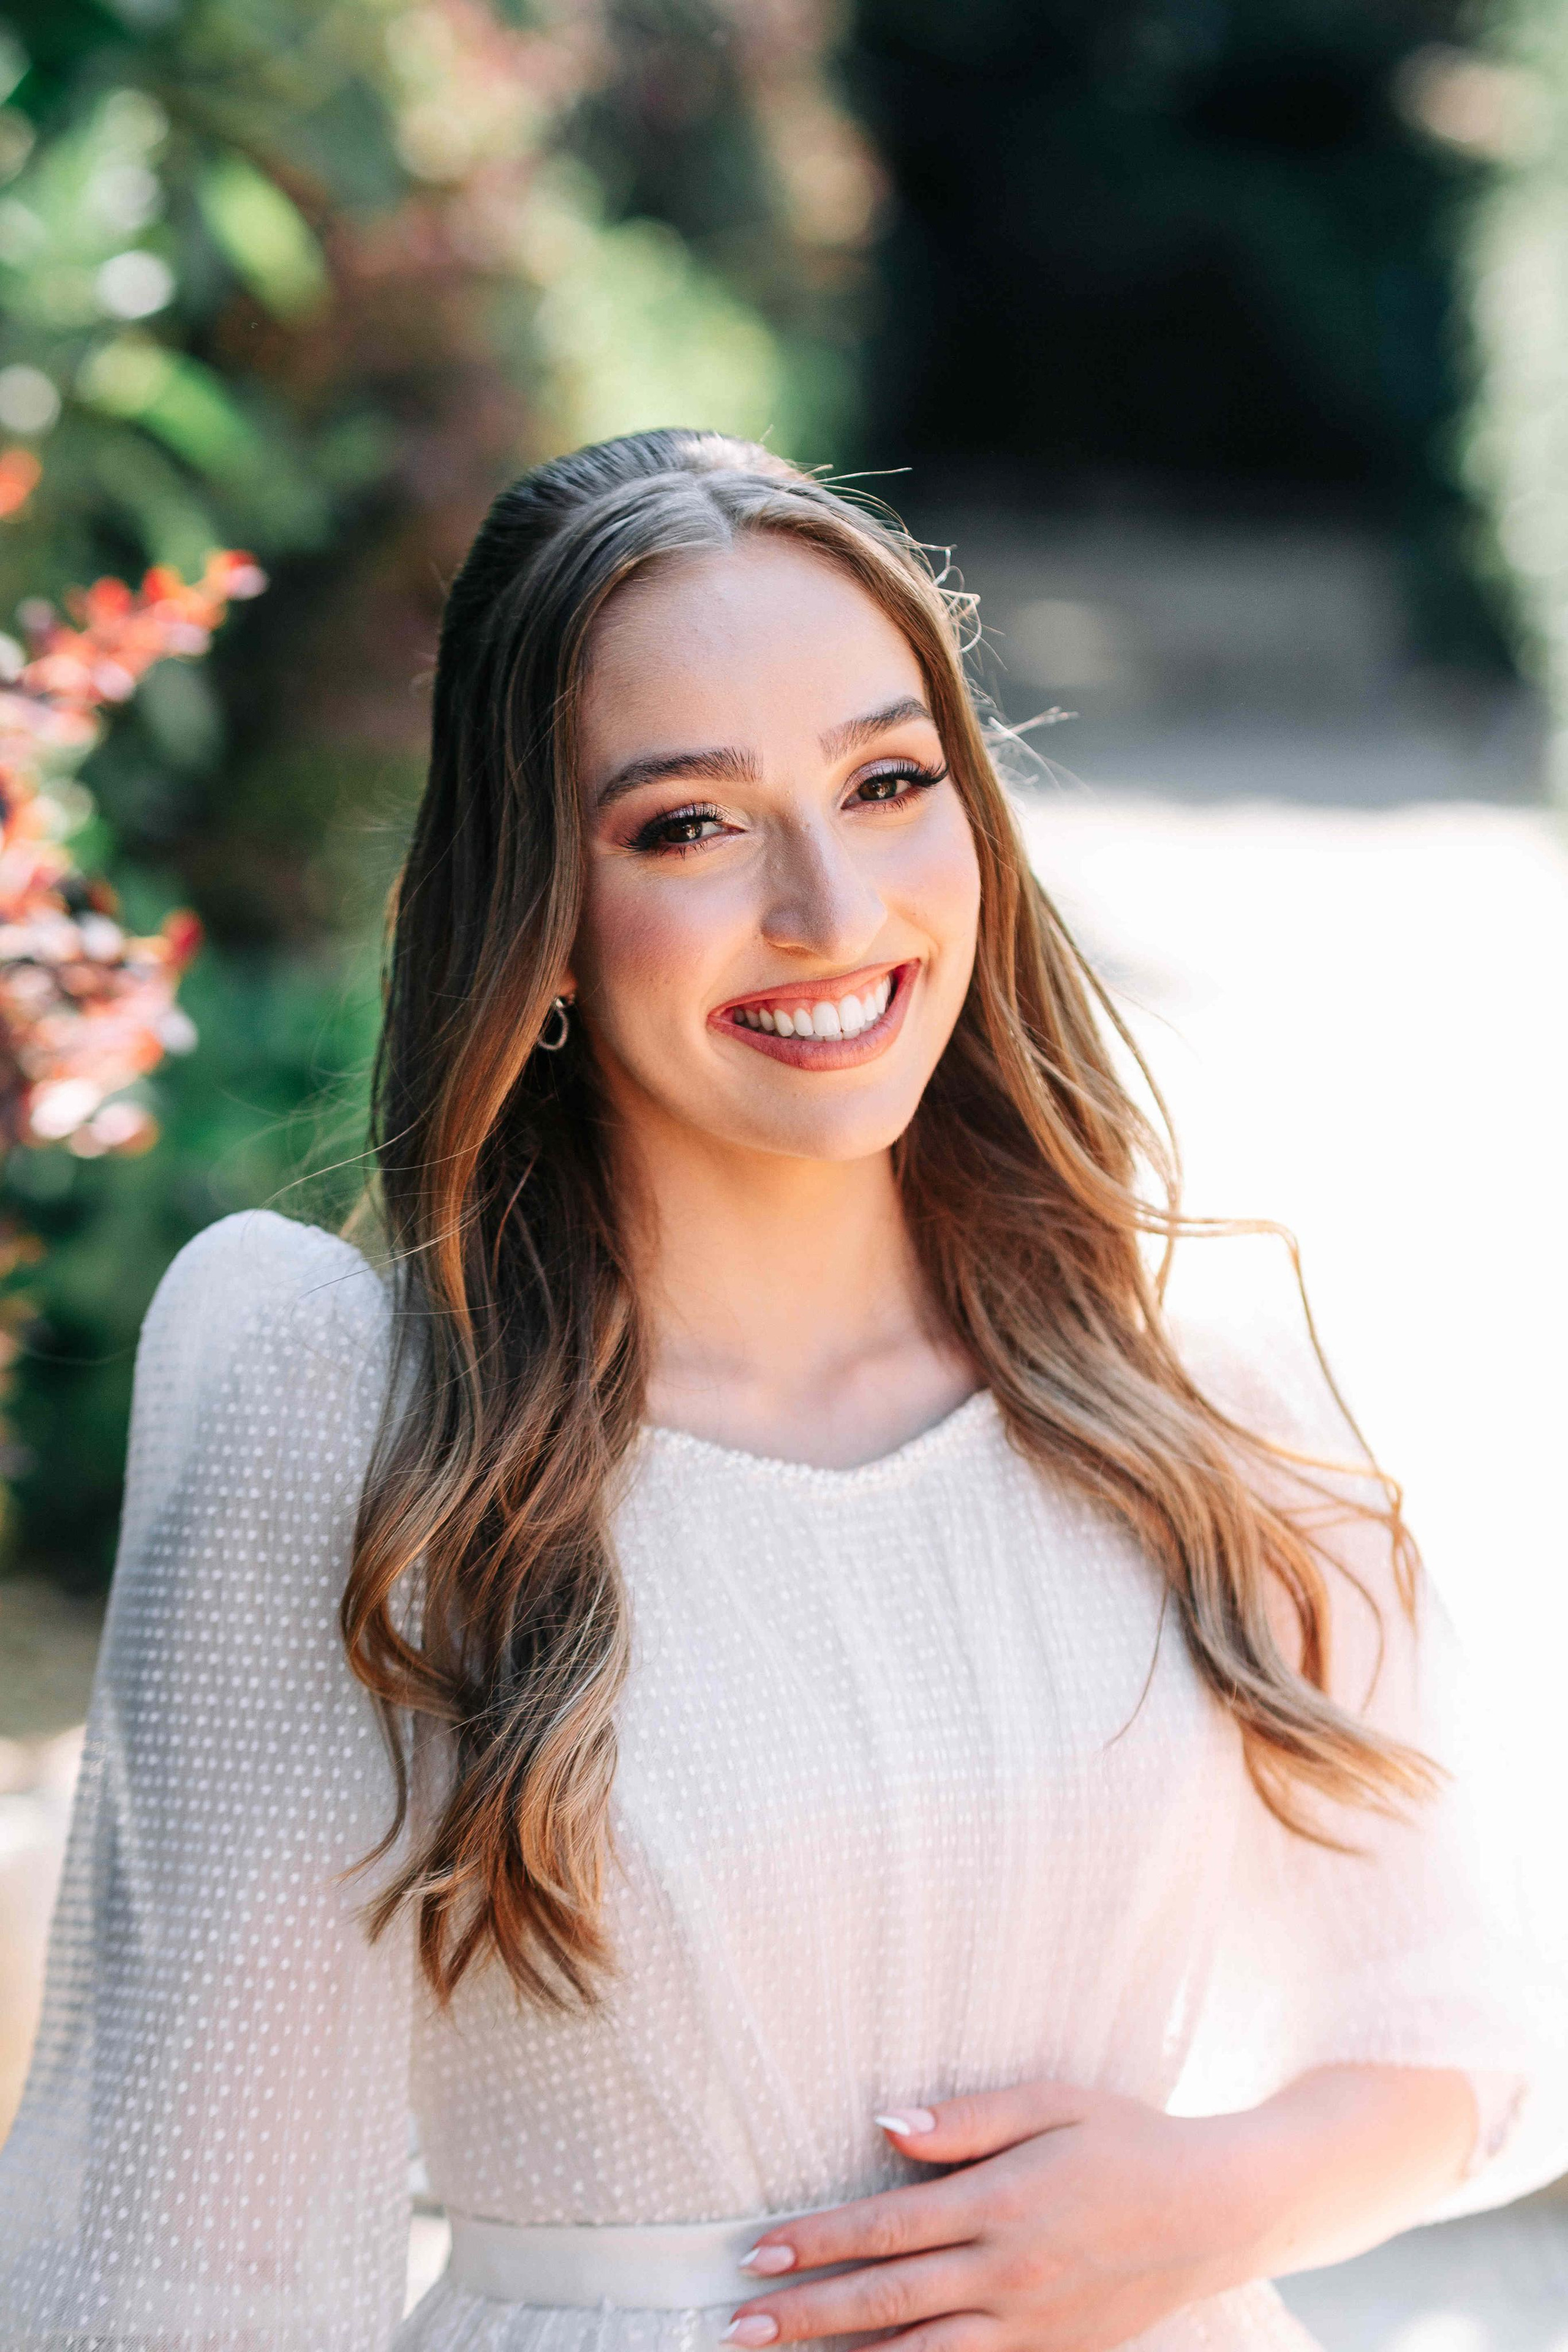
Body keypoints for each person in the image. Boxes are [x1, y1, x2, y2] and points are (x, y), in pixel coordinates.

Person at [0, 429, 1559, 2352]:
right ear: (537, 909)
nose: (831, 911)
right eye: (690, 825)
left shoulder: (1196, 1389)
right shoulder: (357, 1416)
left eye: (889, 781)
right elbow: (189, 2272)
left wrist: (1200, 2202)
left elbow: (1461, 2043)